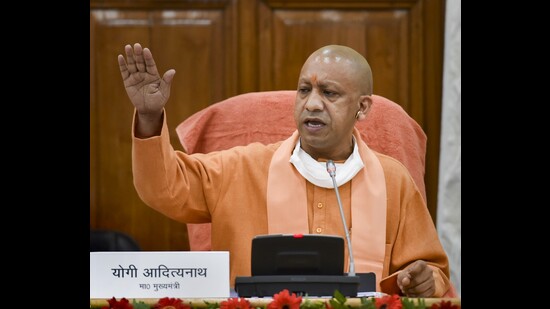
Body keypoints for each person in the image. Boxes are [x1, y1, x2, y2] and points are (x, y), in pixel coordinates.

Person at [117, 43, 452, 297]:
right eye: (304, 90)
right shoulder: (239, 169)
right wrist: (149, 117)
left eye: (329, 93)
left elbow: (431, 270)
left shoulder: (393, 181)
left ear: (362, 108)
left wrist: (422, 281)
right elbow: (163, 188)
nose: (312, 103)